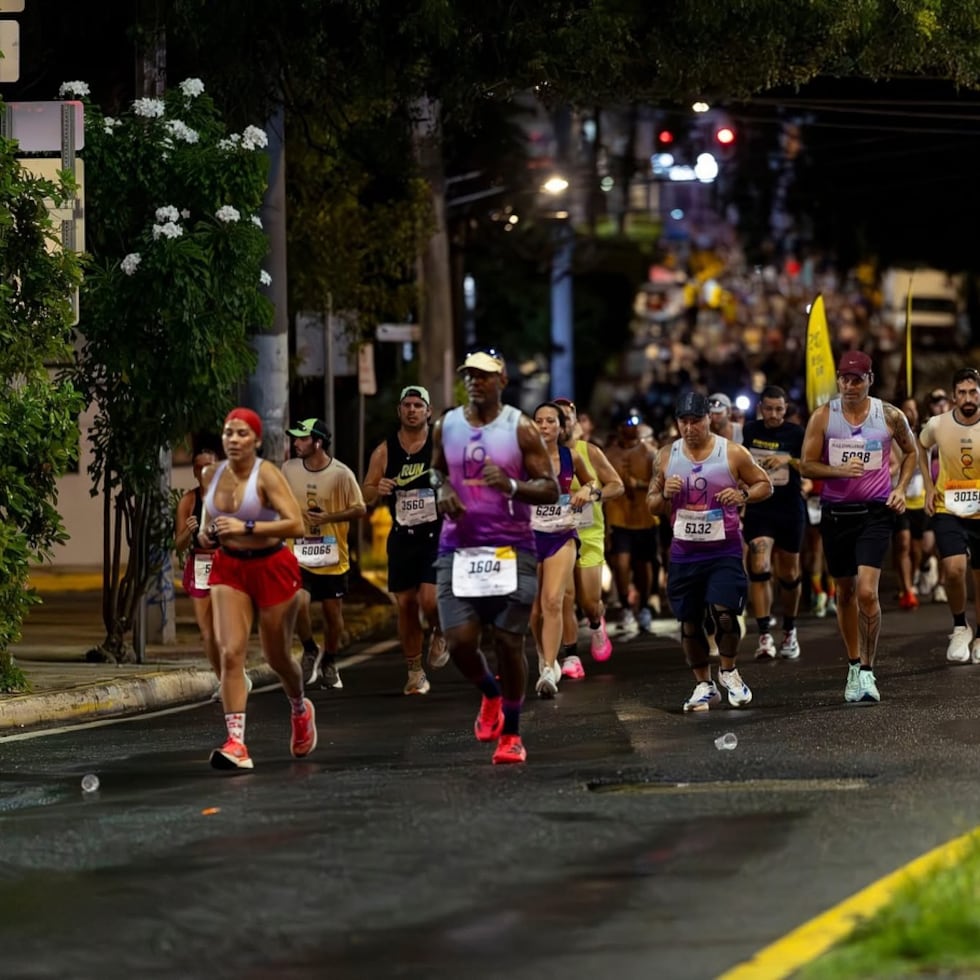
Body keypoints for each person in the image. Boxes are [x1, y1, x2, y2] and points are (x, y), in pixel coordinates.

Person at [430, 348, 559, 764]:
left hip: (511, 547)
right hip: (458, 547)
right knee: (459, 641)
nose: (475, 382)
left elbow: (551, 488)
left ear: (501, 381)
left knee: (507, 641)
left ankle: (513, 733)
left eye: (484, 376)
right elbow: (435, 470)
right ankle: (490, 693)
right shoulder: (445, 424)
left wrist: (512, 486)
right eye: (469, 375)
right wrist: (442, 489)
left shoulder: (519, 428)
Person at [199, 408, 315, 770]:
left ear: (257, 440)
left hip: (271, 566)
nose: (233, 440)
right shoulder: (210, 474)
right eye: (228, 433)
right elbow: (209, 523)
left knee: (277, 655)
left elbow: (295, 524)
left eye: (242, 434)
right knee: (230, 652)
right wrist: (206, 533)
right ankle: (236, 743)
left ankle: (299, 707)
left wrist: (247, 527)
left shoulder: (267, 475)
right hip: (229, 568)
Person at [800, 350, 917, 704]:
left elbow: (911, 453)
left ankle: (867, 669)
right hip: (836, 513)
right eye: (844, 378)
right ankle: (853, 664)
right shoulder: (823, 417)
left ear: (870, 380)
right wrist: (838, 471)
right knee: (846, 592)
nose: (849, 385)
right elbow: (806, 466)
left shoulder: (889, 415)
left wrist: (899, 489)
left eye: (856, 379)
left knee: (868, 592)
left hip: (874, 513)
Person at [646, 391, 773, 711]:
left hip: (724, 549)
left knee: (725, 614)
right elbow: (652, 505)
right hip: (684, 553)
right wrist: (665, 495)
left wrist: (742, 494)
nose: (689, 427)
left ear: (708, 419)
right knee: (689, 623)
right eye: (683, 421)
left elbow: (764, 484)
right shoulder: (664, 456)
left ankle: (729, 672)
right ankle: (704, 684)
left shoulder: (732, 453)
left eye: (695, 420)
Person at [362, 385, 445, 695]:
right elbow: (366, 494)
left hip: (435, 536)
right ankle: (414, 671)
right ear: (399, 411)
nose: (412, 410)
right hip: (402, 538)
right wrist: (377, 487)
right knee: (407, 605)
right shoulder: (384, 451)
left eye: (418, 405)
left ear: (428, 411)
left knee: (429, 599)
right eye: (407, 405)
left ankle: (440, 629)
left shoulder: (439, 447)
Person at [283, 418, 366, 691]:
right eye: (294, 438)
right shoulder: (289, 468)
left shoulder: (342, 474)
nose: (295, 443)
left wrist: (330, 516)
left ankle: (330, 660)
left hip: (332, 556)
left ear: (317, 442)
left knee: (332, 616)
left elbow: (359, 509)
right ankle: (309, 649)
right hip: (298, 552)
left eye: (301, 438)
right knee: (297, 604)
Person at [553, 397, 624, 676]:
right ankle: (571, 656)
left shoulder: (589, 452)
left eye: (567, 417)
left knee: (589, 602)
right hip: (558, 533)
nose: (562, 423)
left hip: (589, 532)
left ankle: (596, 622)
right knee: (566, 596)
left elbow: (616, 485)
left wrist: (593, 493)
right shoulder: (543, 456)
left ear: (574, 422)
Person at [528, 401, 595, 697]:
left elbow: (594, 483)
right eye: (539, 421)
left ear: (560, 427)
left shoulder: (571, 456)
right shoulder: (521, 459)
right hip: (528, 537)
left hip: (562, 535)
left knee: (553, 600)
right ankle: (545, 657)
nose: (544, 426)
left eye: (550, 422)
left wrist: (586, 489)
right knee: (533, 611)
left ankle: (548, 670)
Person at [918, 368, 980, 663]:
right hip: (948, 507)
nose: (968, 398)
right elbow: (920, 446)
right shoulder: (938, 424)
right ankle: (959, 626)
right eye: (963, 392)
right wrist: (929, 487)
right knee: (954, 570)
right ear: (954, 396)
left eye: (973, 391)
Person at [741, 386, 807, 660]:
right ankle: (764, 634)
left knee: (789, 573)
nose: (774, 415)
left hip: (789, 508)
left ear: (785, 408)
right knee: (759, 565)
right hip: (760, 508)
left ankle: (790, 630)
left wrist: (787, 460)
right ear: (760, 408)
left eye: (779, 409)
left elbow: (810, 465)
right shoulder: (749, 431)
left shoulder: (796, 433)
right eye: (768, 408)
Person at [174, 447, 233, 700]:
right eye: (199, 467)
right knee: (207, 631)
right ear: (195, 472)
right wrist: (188, 531)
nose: (204, 471)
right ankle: (224, 680)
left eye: (209, 465)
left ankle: (234, 676)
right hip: (200, 564)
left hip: (226, 564)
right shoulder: (189, 501)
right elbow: (177, 544)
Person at [604, 408, 660, 634]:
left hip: (645, 518)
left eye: (636, 421)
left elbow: (660, 484)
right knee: (621, 564)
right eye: (628, 421)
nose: (633, 426)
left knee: (643, 565)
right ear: (619, 427)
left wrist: (637, 484)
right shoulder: (608, 454)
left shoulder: (650, 453)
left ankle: (644, 606)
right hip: (619, 519)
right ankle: (626, 607)